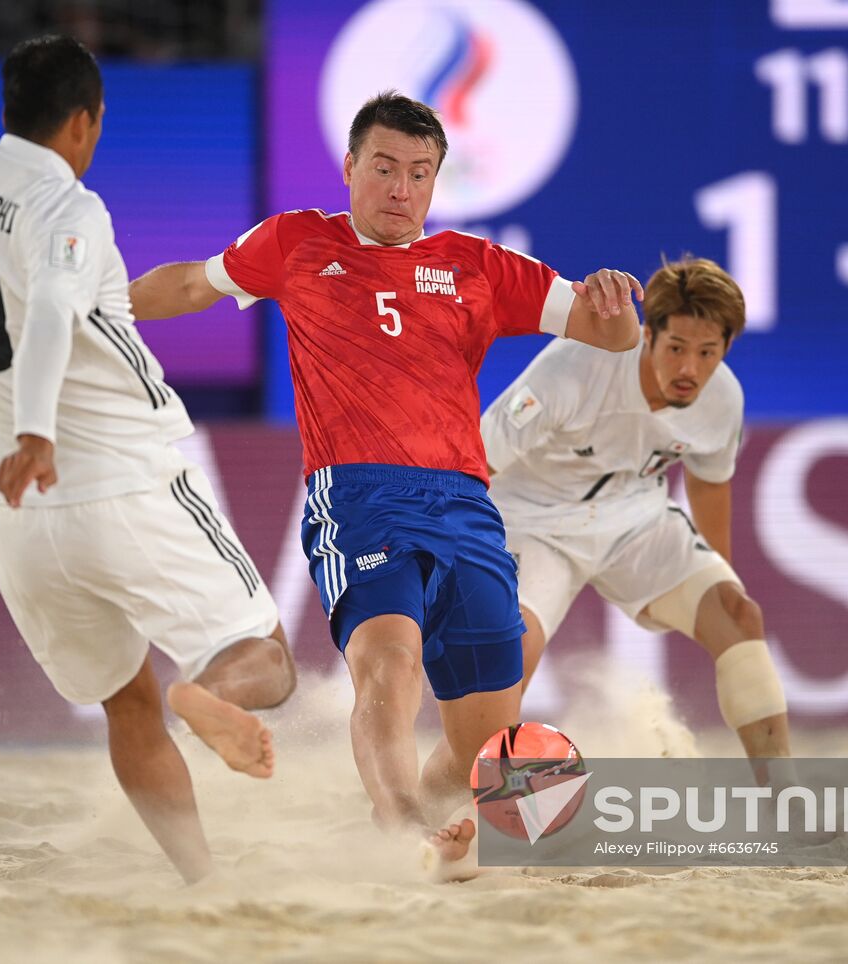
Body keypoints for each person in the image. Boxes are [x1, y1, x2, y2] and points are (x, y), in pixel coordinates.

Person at [0, 0, 293, 883]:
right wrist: (39, 430)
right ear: (84, 122)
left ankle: (203, 881)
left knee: (127, 704)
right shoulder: (70, 208)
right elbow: (47, 314)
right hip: (117, 481)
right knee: (261, 654)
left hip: (21, 522)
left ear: (9, 108)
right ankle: (211, 698)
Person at [129, 91, 641, 836]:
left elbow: (617, 336)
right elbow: (186, 284)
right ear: (349, 168)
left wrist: (613, 297)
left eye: (420, 173)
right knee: (388, 664)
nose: (401, 189)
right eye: (384, 168)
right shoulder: (297, 243)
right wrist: (100, 303)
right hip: (360, 495)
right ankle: (400, 816)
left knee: (482, 748)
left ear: (436, 182)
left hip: (467, 505)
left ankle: (426, 812)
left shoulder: (477, 266)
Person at [430, 256, 793, 863]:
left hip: (634, 518)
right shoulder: (574, 368)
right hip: (531, 520)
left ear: (727, 348)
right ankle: (428, 802)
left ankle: (785, 801)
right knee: (504, 666)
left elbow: (708, 482)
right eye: (676, 347)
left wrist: (719, 573)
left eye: (709, 353)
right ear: (647, 332)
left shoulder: (721, 398)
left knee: (738, 613)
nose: (690, 369)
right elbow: (476, 462)